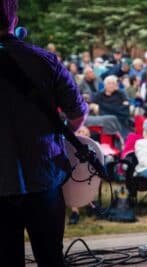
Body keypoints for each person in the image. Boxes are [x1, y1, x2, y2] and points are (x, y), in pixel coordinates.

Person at [0, 1, 88, 266]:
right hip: (44, 176)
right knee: (51, 258)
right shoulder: (43, 59)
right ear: (13, 18)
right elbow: (77, 114)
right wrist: (57, 135)